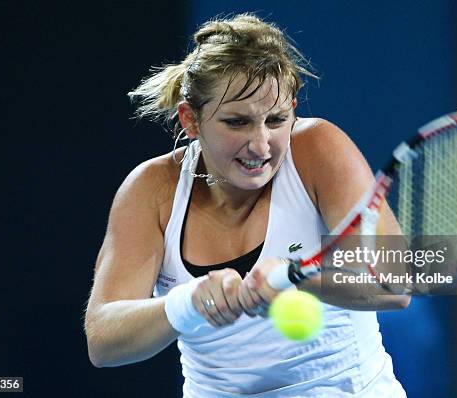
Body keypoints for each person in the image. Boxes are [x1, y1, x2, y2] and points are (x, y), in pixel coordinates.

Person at [84, 13, 410, 397]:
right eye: (237, 123)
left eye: (276, 119)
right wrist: (186, 303)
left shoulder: (319, 149)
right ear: (191, 119)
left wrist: (297, 277)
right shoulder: (151, 189)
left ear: (292, 107)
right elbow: (103, 340)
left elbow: (396, 282)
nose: (261, 145)